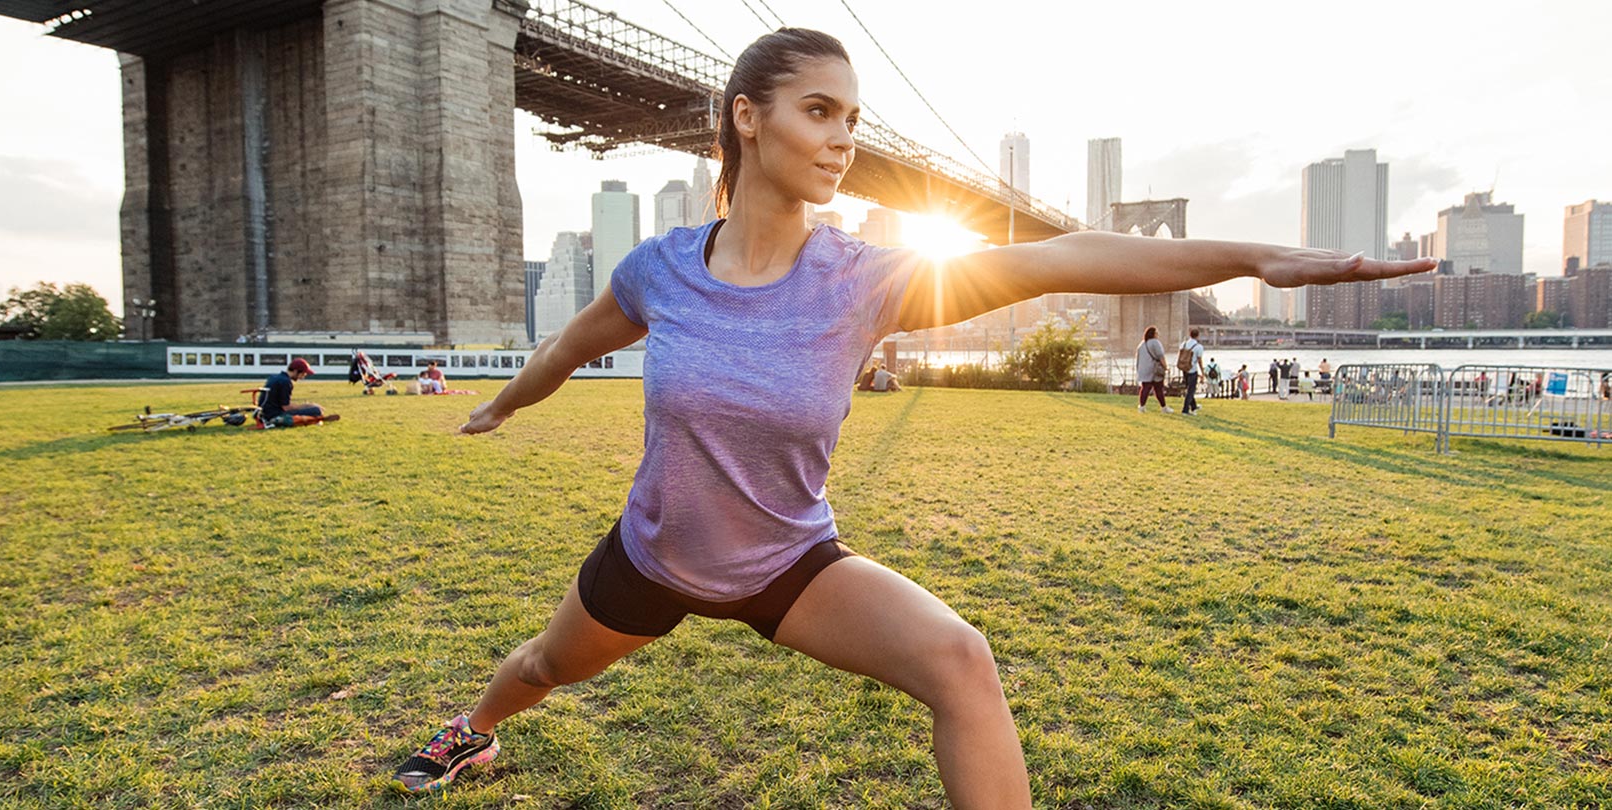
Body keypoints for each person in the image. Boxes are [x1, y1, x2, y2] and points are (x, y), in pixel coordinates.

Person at [385, 28, 1436, 805]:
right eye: (819, 111)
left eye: (851, 117)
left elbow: (1058, 258)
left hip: (787, 564)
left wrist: (1258, 257)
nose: (843, 138)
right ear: (747, 116)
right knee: (535, 670)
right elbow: (571, 345)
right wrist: (503, 402)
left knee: (960, 663)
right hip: (654, 556)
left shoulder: (866, 277)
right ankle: (469, 733)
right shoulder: (659, 269)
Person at [259, 358, 325, 427]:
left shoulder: (274, 377)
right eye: (303, 373)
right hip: (276, 414)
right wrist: (307, 406)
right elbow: (286, 407)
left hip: (265, 413)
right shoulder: (286, 382)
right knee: (316, 410)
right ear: (296, 371)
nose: (303, 376)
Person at [1135, 325, 1169, 413]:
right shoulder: (1155, 342)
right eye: (1157, 333)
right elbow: (1161, 356)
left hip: (1144, 369)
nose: (1158, 335)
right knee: (1158, 388)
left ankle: (1142, 407)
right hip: (1154, 369)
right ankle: (1164, 407)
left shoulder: (1141, 344)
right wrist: (1166, 367)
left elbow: (1138, 358)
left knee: (1145, 388)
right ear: (1154, 334)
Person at [1178, 327, 1205, 414]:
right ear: (1197, 336)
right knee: (1191, 390)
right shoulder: (1198, 347)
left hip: (1184, 369)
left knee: (1189, 388)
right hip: (1192, 370)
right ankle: (1185, 410)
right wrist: (1202, 372)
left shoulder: (1183, 344)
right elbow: (1199, 360)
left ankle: (1193, 406)